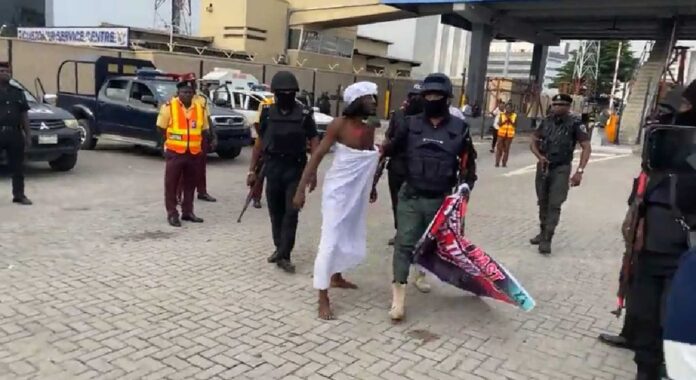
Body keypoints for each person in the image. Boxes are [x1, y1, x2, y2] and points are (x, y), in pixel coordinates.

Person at [382, 73, 477, 321]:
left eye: (437, 95)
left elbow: (468, 165)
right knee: (404, 243)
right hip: (411, 196)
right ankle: (398, 299)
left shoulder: (460, 129)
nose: (432, 99)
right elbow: (389, 151)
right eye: (428, 95)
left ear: (447, 99)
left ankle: (421, 275)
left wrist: (465, 188)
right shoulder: (410, 124)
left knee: (430, 246)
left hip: (440, 199)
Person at [293, 82, 380, 320]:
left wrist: (371, 186)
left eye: (374, 97)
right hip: (338, 192)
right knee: (330, 239)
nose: (374, 101)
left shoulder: (369, 126)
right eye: (369, 98)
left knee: (349, 231)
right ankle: (322, 295)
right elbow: (318, 155)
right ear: (356, 101)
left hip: (357, 192)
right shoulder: (338, 125)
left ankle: (337, 276)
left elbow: (368, 159)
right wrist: (301, 190)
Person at [628, 81, 696, 380]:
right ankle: (646, 369)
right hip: (652, 241)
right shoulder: (667, 135)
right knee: (645, 316)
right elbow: (647, 174)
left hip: (687, 251)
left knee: (676, 322)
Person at [247, 71, 319, 273]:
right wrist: (251, 170)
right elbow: (259, 143)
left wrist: (312, 173)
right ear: (275, 94)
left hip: (295, 169)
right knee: (275, 213)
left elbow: (315, 143)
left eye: (290, 92)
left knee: (291, 212)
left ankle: (285, 254)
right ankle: (279, 248)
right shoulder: (268, 113)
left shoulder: (304, 115)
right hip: (273, 168)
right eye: (282, 92)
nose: (286, 95)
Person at [530, 94, 591, 255]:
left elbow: (586, 147)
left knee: (555, 203)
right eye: (555, 104)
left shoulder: (576, 124)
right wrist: (539, 156)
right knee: (542, 201)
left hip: (561, 168)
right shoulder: (546, 121)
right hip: (543, 166)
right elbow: (534, 140)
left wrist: (579, 171)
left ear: (568, 106)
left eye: (561, 104)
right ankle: (543, 232)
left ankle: (547, 238)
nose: (556, 107)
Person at [157, 80, 210, 227]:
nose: (187, 94)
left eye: (189, 92)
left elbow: (204, 130)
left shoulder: (200, 108)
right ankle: (172, 213)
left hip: (193, 153)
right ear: (178, 93)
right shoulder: (169, 107)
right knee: (171, 185)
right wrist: (167, 144)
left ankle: (188, 212)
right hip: (175, 152)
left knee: (190, 185)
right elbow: (161, 128)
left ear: (194, 94)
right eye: (184, 92)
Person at [385, 83, 423, 246]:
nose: (414, 99)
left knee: (416, 203)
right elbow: (389, 136)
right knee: (397, 202)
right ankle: (400, 232)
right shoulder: (398, 115)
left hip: (417, 167)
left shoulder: (426, 118)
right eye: (412, 96)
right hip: (397, 166)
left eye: (418, 96)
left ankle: (416, 234)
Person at [177, 89, 217, 203]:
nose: (191, 87)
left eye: (193, 83)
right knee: (182, 168)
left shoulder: (201, 99)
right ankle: (178, 194)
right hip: (184, 139)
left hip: (200, 137)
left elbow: (207, 118)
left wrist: (213, 135)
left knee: (201, 167)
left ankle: (202, 192)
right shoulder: (176, 101)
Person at [0, 62, 32, 205]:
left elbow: (24, 115)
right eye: (1, 71)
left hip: (15, 134)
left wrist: (28, 135)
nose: (4, 73)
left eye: (7, 71)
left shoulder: (18, 93)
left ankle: (19, 195)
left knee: (17, 167)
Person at [495, 102, 517, 168]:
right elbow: (499, 124)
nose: (508, 109)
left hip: (509, 135)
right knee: (499, 149)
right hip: (501, 134)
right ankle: (497, 162)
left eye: (509, 108)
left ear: (512, 108)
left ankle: (504, 163)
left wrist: (510, 121)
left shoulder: (514, 115)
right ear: (505, 108)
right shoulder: (502, 115)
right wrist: (505, 121)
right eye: (507, 108)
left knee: (506, 150)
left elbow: (515, 125)